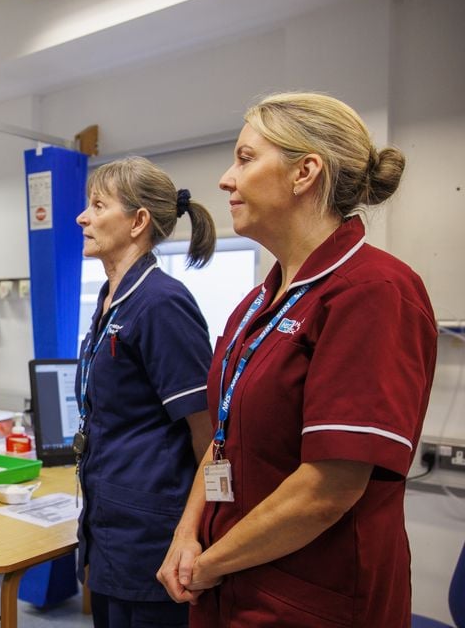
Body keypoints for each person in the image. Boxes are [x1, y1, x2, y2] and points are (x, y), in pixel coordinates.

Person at [156, 92, 438, 627]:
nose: (225, 179)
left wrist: (210, 562)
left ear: (304, 172)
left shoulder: (374, 291)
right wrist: (186, 534)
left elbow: (330, 485)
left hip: (310, 599)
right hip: (228, 581)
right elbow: (222, 434)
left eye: (244, 158)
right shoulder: (257, 303)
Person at [74, 156, 216, 628]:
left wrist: (199, 529)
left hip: (154, 529)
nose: (82, 217)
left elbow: (209, 434)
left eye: (97, 205)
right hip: (112, 520)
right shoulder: (112, 297)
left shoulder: (162, 302)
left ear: (138, 222)